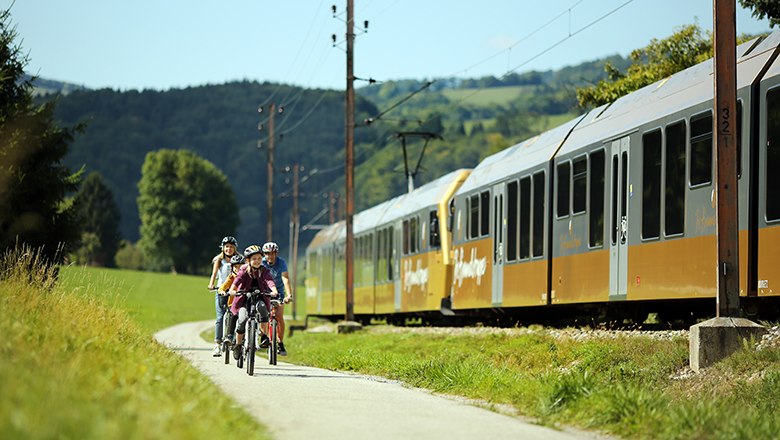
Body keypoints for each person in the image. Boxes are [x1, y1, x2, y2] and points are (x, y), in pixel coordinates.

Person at [229, 244, 278, 361]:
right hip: (244, 299)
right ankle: (238, 345)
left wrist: (274, 290)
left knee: (263, 309)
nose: (257, 261)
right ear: (248, 260)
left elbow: (269, 280)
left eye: (259, 259)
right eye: (254, 259)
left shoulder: (264, 270)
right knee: (241, 319)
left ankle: (264, 336)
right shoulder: (243, 270)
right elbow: (237, 280)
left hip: (259, 297)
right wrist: (232, 290)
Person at [207, 236, 238, 357]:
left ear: (235, 248)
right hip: (221, 290)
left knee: (235, 315)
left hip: (234, 291)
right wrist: (211, 284)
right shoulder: (219, 260)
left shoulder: (238, 259)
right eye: (227, 247)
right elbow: (214, 274)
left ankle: (233, 339)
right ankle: (217, 344)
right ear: (223, 248)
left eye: (231, 247)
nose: (229, 249)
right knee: (220, 317)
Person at [261, 242, 293, 356]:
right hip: (264, 291)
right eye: (267, 254)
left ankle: (280, 342)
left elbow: (285, 279)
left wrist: (289, 295)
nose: (270, 256)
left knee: (279, 316)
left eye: (273, 253)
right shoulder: (261, 262)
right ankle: (263, 336)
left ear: (276, 254)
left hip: (278, 292)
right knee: (262, 314)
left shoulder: (281, 263)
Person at [219, 253, 246, 344]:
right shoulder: (231, 278)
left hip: (244, 303)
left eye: (240, 267)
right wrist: (223, 291)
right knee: (233, 315)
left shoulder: (247, 277)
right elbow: (222, 287)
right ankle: (230, 336)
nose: (238, 269)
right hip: (233, 304)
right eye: (236, 267)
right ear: (232, 268)